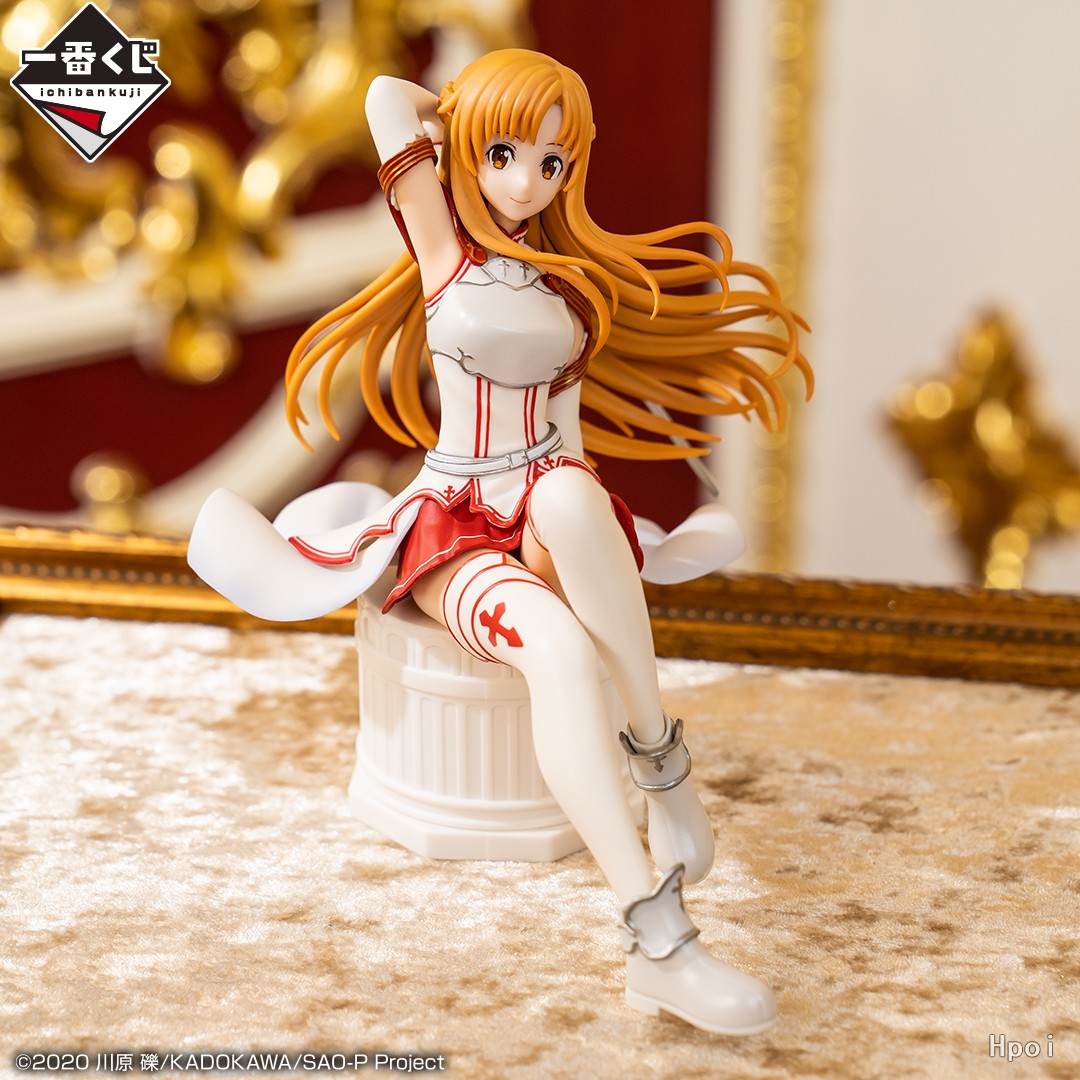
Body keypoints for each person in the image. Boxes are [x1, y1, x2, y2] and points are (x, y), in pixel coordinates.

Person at [188, 48, 810, 1035]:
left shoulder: (570, 296)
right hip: (453, 520)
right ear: (472, 151)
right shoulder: (446, 254)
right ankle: (659, 940)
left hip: (543, 504)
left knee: (569, 492)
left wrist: (576, 532)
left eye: (552, 163)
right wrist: (464, 111)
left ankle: (663, 773)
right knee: (556, 651)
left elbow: (566, 444)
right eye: (506, 155)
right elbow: (384, 99)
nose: (526, 183)